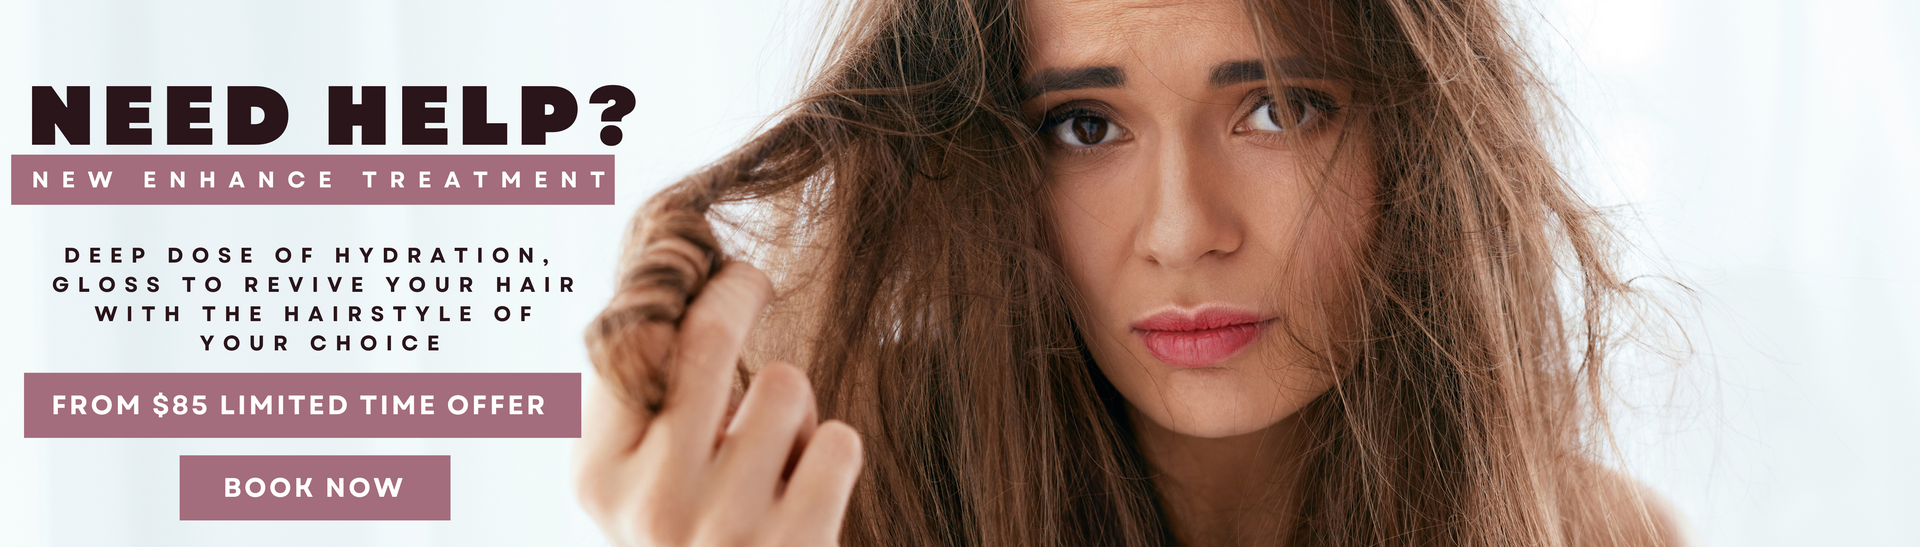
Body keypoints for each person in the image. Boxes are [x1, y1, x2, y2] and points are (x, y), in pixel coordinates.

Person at [575, 0, 1686, 544]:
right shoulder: (830, 507)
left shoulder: (1586, 533)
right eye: (1084, 127)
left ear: (1427, 146)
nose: (1180, 231)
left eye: (1278, 109)